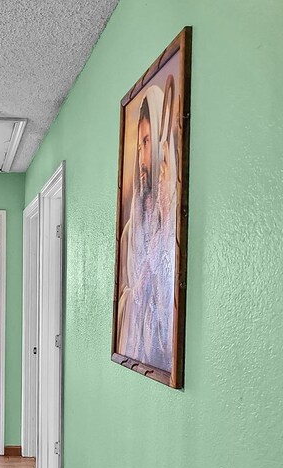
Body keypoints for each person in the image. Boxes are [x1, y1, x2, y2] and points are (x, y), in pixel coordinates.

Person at [117, 79, 177, 373]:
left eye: (146, 142)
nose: (141, 158)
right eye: (138, 144)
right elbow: (133, 292)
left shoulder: (172, 213)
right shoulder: (130, 231)